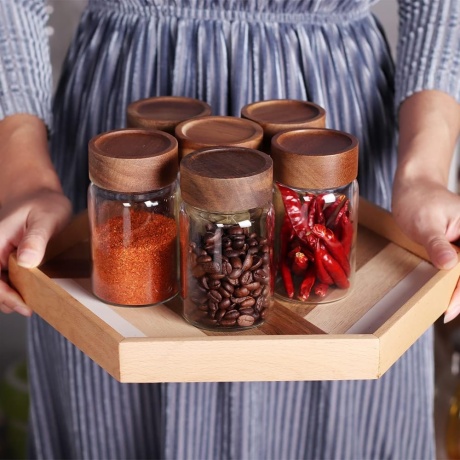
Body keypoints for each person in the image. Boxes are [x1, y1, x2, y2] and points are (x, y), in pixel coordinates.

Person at [0, 0, 459, 458]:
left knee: (346, 407)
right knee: (111, 412)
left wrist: (424, 174)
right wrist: (24, 175)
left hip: (332, 102)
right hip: (129, 102)